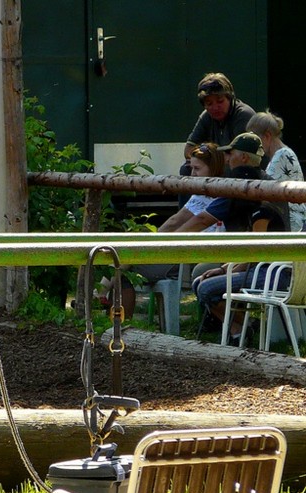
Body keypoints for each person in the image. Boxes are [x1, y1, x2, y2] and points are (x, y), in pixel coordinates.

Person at [193, 132, 289, 344]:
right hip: (260, 268)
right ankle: (240, 330)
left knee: (205, 288)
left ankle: (245, 327)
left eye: (230, 154)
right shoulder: (259, 197)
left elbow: (257, 251)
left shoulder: (262, 207)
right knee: (200, 281)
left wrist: (227, 269)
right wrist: (227, 267)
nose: (226, 159)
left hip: (271, 271)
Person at [117, 143, 227, 319]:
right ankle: (103, 294)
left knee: (125, 270)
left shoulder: (220, 195)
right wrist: (153, 243)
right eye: (191, 168)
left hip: (190, 257)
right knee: (125, 261)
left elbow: (186, 222)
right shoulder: (201, 193)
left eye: (197, 169)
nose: (193, 174)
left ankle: (116, 317)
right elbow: (176, 221)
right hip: (184, 253)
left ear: (213, 168)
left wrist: (155, 244)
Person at [178, 73, 255, 208]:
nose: (215, 107)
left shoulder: (243, 115)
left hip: (243, 172)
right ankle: (188, 212)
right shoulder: (207, 117)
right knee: (187, 169)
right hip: (217, 168)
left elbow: (241, 156)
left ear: (230, 98)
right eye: (209, 103)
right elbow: (188, 150)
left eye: (220, 101)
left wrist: (210, 158)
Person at [247, 110, 305, 231]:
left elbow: (266, 193)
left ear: (267, 136)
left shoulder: (282, 155)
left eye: (255, 139)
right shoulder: (278, 155)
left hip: (292, 223)